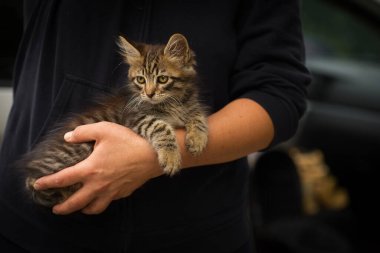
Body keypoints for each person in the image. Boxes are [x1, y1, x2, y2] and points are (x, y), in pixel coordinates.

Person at [0, 0, 310, 252]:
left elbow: (279, 94)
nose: (148, 91)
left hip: (197, 232)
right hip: (37, 227)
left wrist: (160, 154)